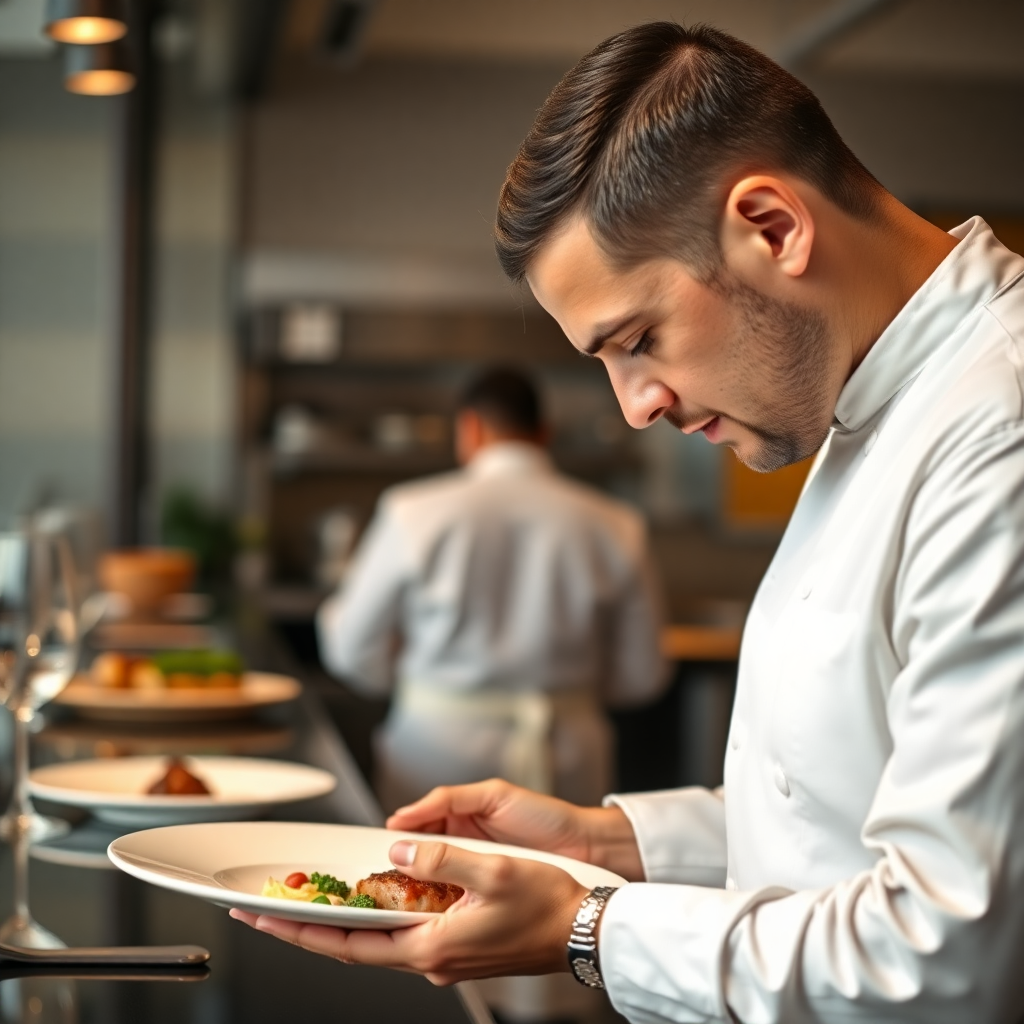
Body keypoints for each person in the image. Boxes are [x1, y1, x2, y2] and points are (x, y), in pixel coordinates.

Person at [232, 22, 1024, 1024]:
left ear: (772, 227)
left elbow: (945, 957)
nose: (636, 406)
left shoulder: (1000, 433)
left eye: (638, 339)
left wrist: (588, 925)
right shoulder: (868, 403)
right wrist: (604, 844)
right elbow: (833, 812)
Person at [316, 366, 666, 814]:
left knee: (427, 860)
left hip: (436, 749)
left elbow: (351, 649)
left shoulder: (411, 510)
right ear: (544, 433)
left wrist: (409, 675)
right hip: (568, 756)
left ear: (470, 428)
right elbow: (642, 674)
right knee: (568, 862)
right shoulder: (618, 523)